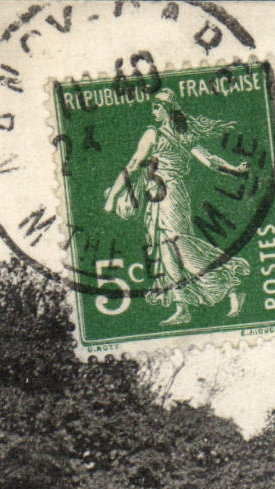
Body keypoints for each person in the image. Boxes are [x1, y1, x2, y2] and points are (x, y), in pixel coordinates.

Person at [104, 90, 251, 326]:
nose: (153, 112)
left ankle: (232, 281)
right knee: (166, 253)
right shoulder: (167, 134)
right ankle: (182, 307)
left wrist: (236, 170)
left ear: (169, 109)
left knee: (181, 246)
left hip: (171, 195)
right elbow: (134, 165)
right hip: (155, 199)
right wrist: (114, 195)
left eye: (157, 107)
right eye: (153, 107)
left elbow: (209, 160)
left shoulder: (170, 135)